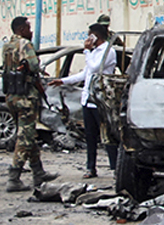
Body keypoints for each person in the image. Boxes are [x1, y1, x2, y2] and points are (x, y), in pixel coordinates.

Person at [51, 23, 118, 179]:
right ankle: (91, 167)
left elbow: (95, 68)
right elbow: (84, 74)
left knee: (107, 136)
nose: (88, 39)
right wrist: (62, 81)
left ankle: (115, 168)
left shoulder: (108, 51)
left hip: (100, 100)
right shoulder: (93, 52)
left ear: (95, 37)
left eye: (90, 36)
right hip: (88, 99)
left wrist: (87, 51)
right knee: (90, 136)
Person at [2, 16, 58, 192]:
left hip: (12, 94)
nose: (30, 31)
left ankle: (38, 172)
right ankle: (14, 176)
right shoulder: (24, 44)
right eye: (27, 27)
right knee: (25, 137)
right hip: (25, 96)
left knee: (29, 134)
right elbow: (33, 65)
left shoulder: (7, 46)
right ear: (20, 29)